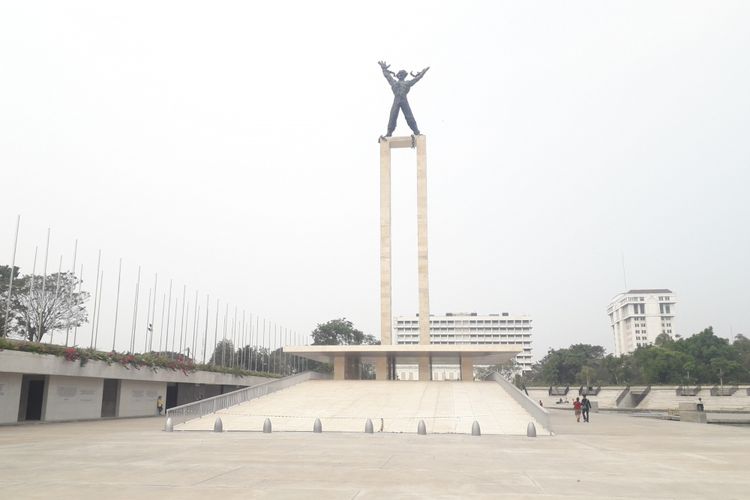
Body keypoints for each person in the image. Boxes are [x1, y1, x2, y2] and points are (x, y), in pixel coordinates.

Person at [378, 61, 430, 137]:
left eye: (402, 75)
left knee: (409, 116)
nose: (401, 75)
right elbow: (388, 76)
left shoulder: (407, 83)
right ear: (398, 75)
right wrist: (383, 68)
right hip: (396, 100)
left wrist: (422, 73)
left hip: (404, 100)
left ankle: (416, 131)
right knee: (393, 116)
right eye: (400, 74)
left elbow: (417, 79)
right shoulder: (394, 82)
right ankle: (389, 132)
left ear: (404, 76)